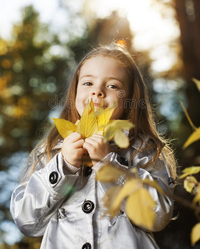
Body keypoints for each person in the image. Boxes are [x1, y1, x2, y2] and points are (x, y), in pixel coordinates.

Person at [10, 41, 177, 249]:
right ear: (75, 91)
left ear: (130, 99)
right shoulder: (52, 151)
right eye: (88, 83)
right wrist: (63, 167)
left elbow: (157, 217)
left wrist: (111, 167)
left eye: (113, 86)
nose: (97, 92)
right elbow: (27, 221)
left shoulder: (143, 151)